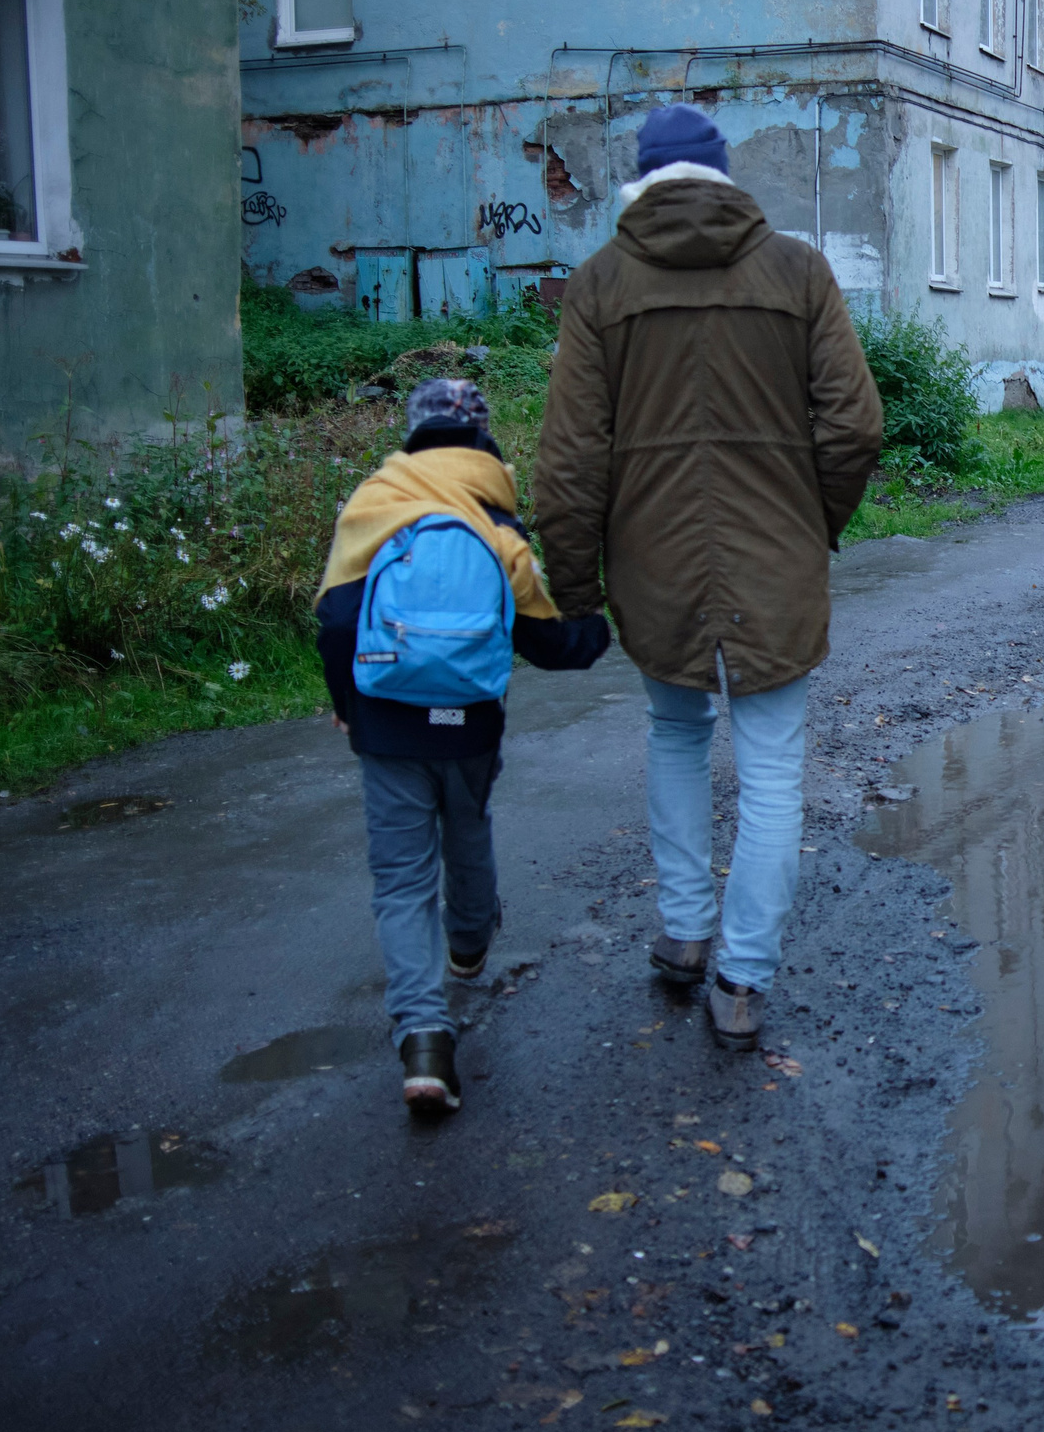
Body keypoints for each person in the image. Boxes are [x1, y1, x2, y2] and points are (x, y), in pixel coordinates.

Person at [535, 105, 884, 1050]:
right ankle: (742, 980)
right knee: (772, 770)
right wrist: (812, 525)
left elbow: (570, 459)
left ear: (640, 182)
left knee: (675, 729)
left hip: (652, 564)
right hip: (778, 558)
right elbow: (853, 427)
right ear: (725, 177)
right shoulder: (798, 271)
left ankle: (685, 931)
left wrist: (570, 590)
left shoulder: (601, 283)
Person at [316, 378, 612, 1112]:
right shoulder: (495, 524)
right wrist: (604, 624)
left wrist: (348, 707)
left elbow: (335, 618)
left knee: (401, 880)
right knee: (468, 828)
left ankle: (423, 1040)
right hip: (471, 723)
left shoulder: (372, 506)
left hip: (386, 722)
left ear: (413, 432)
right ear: (481, 437)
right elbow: (553, 642)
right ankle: (471, 944)